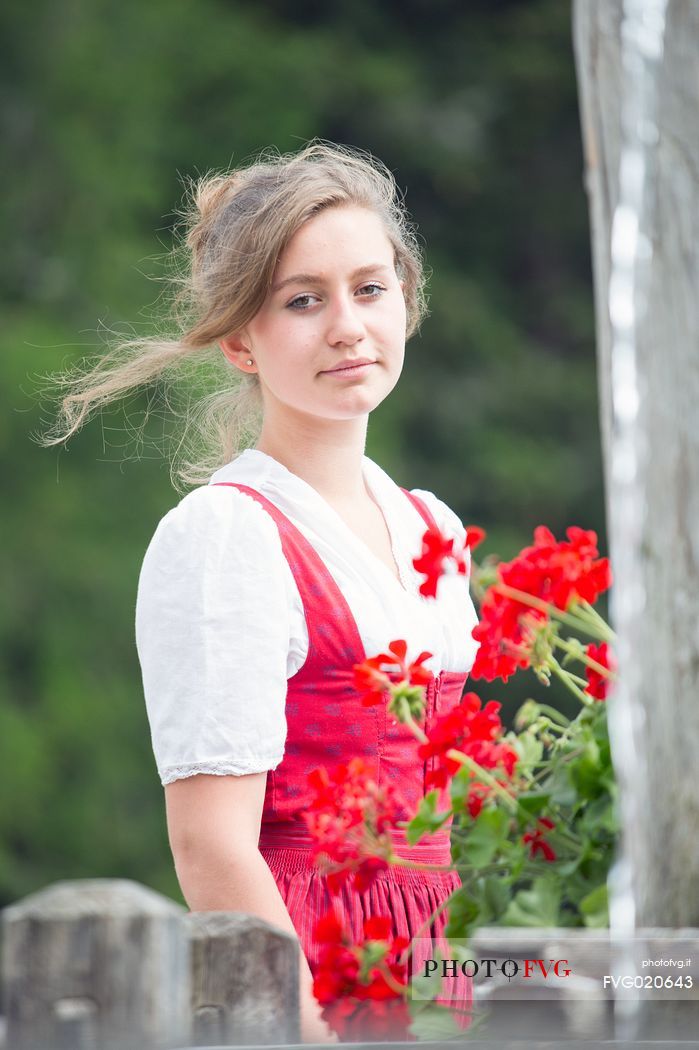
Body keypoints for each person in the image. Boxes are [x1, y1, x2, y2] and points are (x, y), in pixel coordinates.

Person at [44, 142, 480, 1042]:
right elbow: (211, 849)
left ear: (406, 298)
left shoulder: (429, 525)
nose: (348, 326)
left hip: (437, 965)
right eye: (302, 301)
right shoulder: (228, 536)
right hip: (301, 976)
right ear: (240, 340)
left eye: (369, 288)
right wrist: (309, 1031)